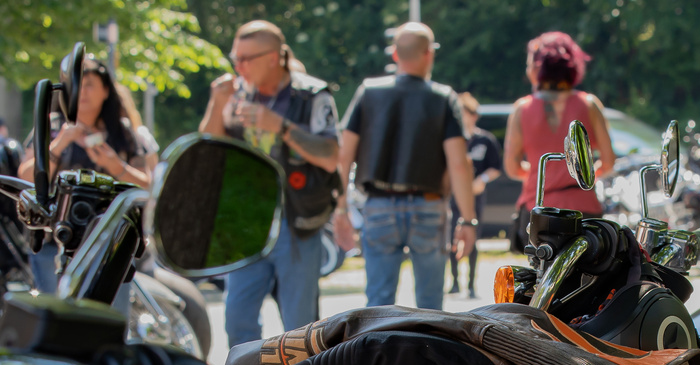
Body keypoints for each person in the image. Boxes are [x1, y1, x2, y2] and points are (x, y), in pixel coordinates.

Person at [19, 57, 158, 365]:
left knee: (113, 334)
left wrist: (114, 165)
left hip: (113, 245)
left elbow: (151, 183)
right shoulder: (49, 130)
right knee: (57, 335)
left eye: (93, 85)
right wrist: (60, 143)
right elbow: (26, 175)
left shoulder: (125, 133)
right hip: (55, 246)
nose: (85, 93)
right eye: (78, 85)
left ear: (106, 90)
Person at [201, 20, 342, 345]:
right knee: (237, 321)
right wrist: (216, 102)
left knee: (300, 328)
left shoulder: (311, 95)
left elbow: (330, 156)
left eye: (246, 58)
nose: (238, 66)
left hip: (296, 223)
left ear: (274, 57)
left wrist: (280, 126)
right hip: (247, 224)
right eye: (235, 58)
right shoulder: (235, 93)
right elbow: (209, 152)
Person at [337, 22, 478, 310]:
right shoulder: (443, 98)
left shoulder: (368, 93)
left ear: (395, 55)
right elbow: (458, 164)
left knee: (377, 305)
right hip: (429, 207)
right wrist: (467, 219)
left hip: (379, 206)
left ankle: (375, 353)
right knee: (430, 308)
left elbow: (344, 155)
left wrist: (340, 209)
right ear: (429, 54)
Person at [504, 31, 614, 241]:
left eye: (529, 65)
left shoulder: (521, 109)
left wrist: (543, 176)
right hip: (584, 209)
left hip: (540, 209)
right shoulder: (590, 105)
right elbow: (608, 162)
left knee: (543, 272)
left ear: (538, 68)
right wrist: (582, 177)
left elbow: (512, 168)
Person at [449, 92, 501, 299]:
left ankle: (470, 284)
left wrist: (483, 180)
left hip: (475, 195)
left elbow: (495, 167)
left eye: (465, 114)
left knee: (473, 237)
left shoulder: (484, 140)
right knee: (451, 237)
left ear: (473, 115)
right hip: (452, 196)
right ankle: (453, 282)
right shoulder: (453, 140)